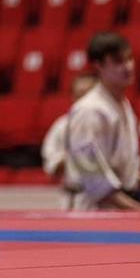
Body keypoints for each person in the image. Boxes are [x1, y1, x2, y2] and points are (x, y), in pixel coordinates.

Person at [65, 32, 140, 211]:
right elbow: (93, 178)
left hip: (119, 204)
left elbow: (115, 165)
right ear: (99, 65)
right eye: (118, 61)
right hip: (93, 211)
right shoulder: (89, 110)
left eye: (129, 59)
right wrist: (137, 210)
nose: (128, 67)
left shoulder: (122, 104)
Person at [41, 73, 98, 206]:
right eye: (79, 95)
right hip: (71, 197)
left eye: (87, 95)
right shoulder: (62, 126)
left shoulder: (107, 126)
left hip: (99, 201)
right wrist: (71, 155)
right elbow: (52, 166)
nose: (83, 100)